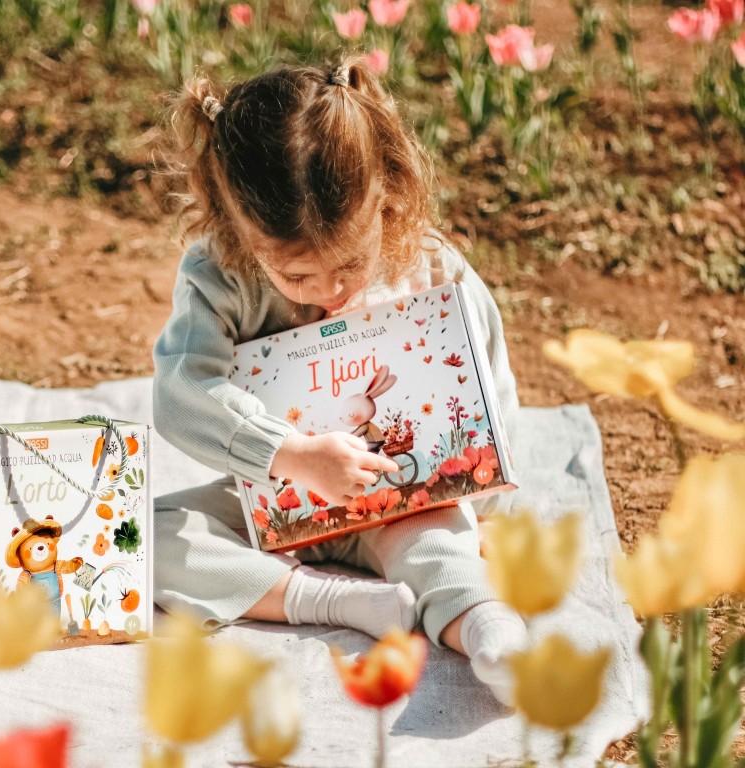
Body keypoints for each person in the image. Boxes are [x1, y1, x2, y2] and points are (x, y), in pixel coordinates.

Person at [152, 58, 528, 706]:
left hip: (402, 506)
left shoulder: (431, 267)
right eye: (296, 277)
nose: (329, 290)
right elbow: (181, 391)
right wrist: (290, 454)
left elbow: (490, 393)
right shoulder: (218, 275)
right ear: (239, 230)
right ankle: (333, 600)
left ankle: (489, 631)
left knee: (441, 551)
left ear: (387, 198)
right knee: (144, 538)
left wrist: (489, 509)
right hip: (273, 511)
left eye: (352, 262)